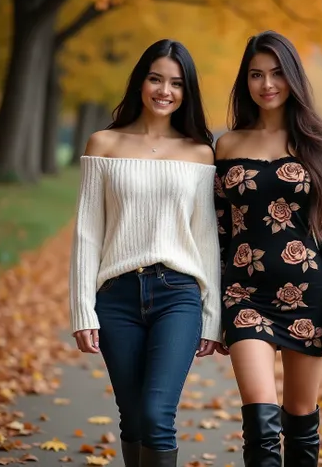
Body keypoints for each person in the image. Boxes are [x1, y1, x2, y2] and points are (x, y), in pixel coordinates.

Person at [214, 30, 322, 467]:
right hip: (245, 298)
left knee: (301, 420)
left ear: (293, 78)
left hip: (309, 297)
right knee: (260, 422)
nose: (267, 84)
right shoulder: (226, 146)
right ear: (244, 81)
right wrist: (212, 307)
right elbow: (220, 233)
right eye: (257, 74)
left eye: (278, 73)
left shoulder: (318, 140)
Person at [69, 39, 225, 467]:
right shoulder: (103, 144)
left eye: (176, 83)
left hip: (177, 294)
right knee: (133, 418)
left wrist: (212, 316)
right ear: (140, 82)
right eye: (156, 79)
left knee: (157, 415)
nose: (164, 90)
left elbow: (206, 239)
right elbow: (88, 233)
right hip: (116, 297)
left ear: (186, 91)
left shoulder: (199, 152)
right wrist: (83, 309)